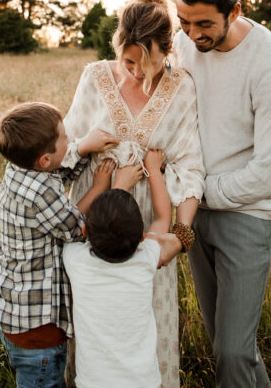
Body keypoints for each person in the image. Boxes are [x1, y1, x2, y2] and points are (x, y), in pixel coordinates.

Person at [63, 0, 205, 388]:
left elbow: (191, 164)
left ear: (169, 50)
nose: (138, 74)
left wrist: (178, 235)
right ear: (118, 45)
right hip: (98, 217)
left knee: (146, 326)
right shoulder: (94, 78)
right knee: (97, 324)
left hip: (148, 230)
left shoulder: (182, 87)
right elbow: (68, 150)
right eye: (129, 62)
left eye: (151, 64)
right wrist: (87, 148)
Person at [172, 0, 271, 387]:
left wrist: (196, 191)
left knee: (234, 350)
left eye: (204, 23)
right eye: (183, 21)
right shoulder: (183, 43)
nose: (192, 34)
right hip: (193, 213)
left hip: (248, 215)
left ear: (235, 10)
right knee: (224, 346)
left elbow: (268, 175)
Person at [0, 101, 119, 388]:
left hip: (15, 314)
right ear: (44, 160)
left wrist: (83, 148)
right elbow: (76, 227)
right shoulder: (41, 192)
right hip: (39, 330)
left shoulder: (19, 169)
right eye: (64, 137)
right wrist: (100, 187)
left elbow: (56, 174)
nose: (69, 140)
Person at [64, 149, 180, 388]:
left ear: (86, 232)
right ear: (142, 237)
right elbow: (162, 219)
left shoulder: (74, 259)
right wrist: (155, 171)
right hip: (143, 382)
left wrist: (106, 188)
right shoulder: (146, 257)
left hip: (93, 383)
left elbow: (69, 223)